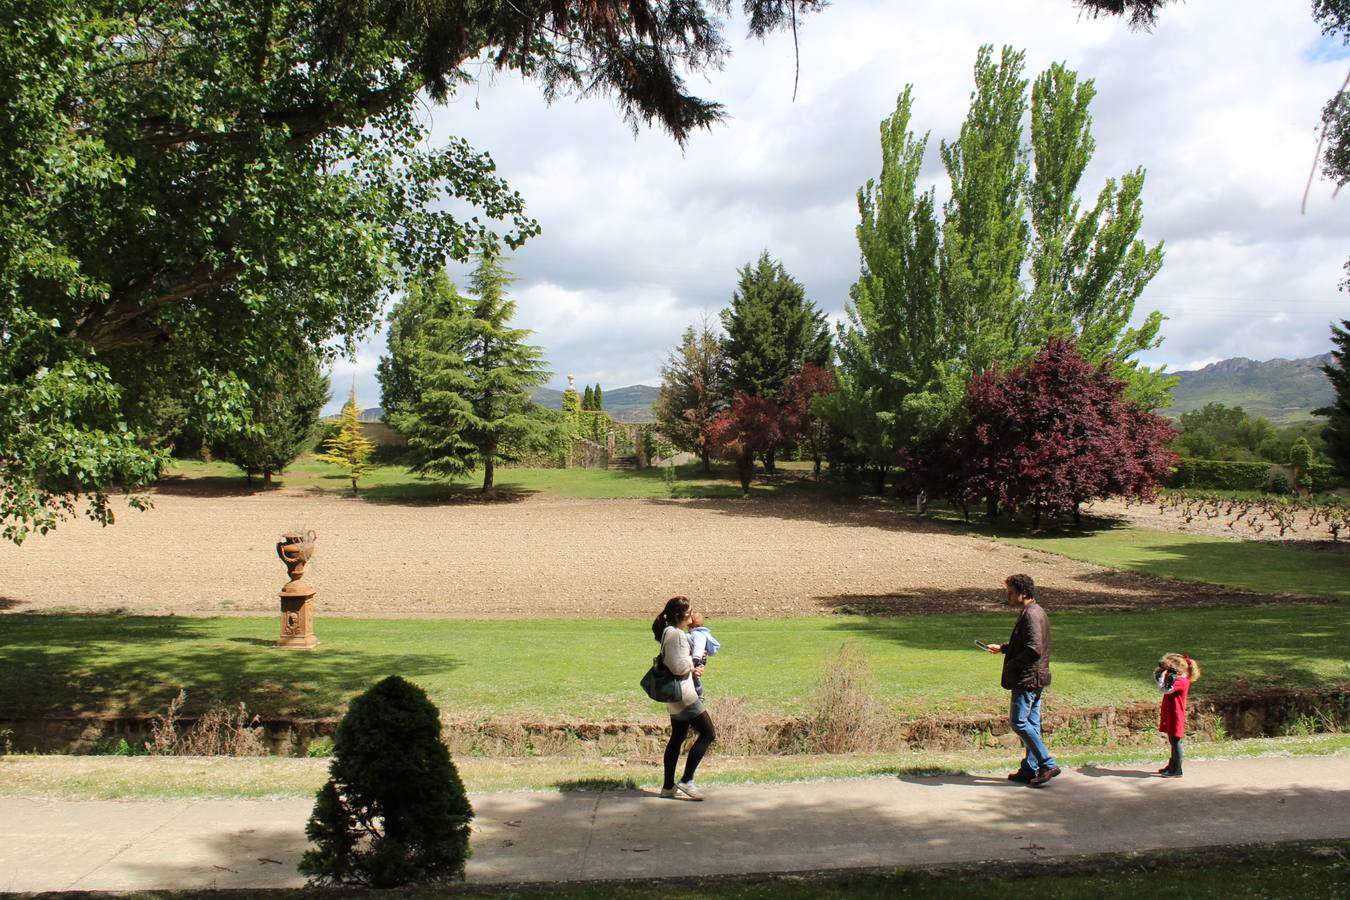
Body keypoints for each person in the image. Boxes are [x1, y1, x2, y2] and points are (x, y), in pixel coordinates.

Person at [985, 573, 1060, 787]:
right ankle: (1029, 768)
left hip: (1027, 678)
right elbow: (1027, 643)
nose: (1007, 596)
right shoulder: (1034, 611)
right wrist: (1003, 648)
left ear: (1023, 593)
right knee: (1032, 724)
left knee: (1018, 722)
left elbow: (1034, 648)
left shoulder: (1030, 615)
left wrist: (1012, 664)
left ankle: (1047, 763)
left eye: (1011, 593)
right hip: (1035, 677)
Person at [651, 596, 716, 800]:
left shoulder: (668, 633)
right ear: (681, 615)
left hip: (675, 696)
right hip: (685, 695)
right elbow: (677, 666)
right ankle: (687, 780)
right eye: (689, 613)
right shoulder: (677, 635)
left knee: (677, 738)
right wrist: (693, 664)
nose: (692, 616)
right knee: (708, 734)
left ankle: (668, 786)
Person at [1155, 652, 1201, 778]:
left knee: (1176, 742)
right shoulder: (1178, 679)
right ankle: (1172, 764)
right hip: (1171, 712)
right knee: (1172, 740)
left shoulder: (1182, 681)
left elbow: (1165, 689)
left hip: (1176, 714)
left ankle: (1177, 769)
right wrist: (1164, 676)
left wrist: (1160, 678)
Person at [687, 610, 721, 698]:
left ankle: (699, 695)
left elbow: (698, 648)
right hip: (700, 660)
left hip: (697, 660)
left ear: (690, 626)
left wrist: (695, 660)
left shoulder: (697, 634)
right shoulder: (703, 634)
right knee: (693, 678)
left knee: (694, 678)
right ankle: (696, 695)